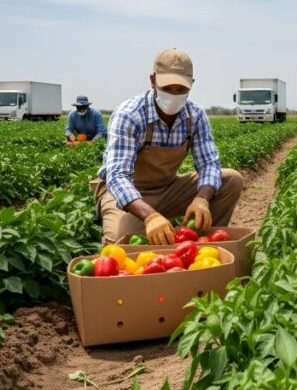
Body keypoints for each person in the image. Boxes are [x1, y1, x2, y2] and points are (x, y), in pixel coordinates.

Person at [90, 49, 244, 245]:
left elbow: (209, 164)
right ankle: (154, 225)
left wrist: (202, 199)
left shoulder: (195, 115)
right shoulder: (130, 115)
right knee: (121, 243)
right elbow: (117, 176)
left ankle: (208, 241)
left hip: (168, 189)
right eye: (167, 88)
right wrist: (150, 216)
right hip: (130, 195)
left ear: (191, 85)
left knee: (230, 180)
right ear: (153, 81)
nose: (173, 95)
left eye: (180, 90)